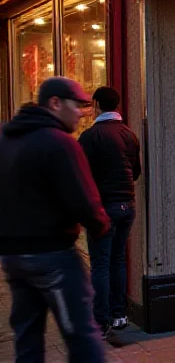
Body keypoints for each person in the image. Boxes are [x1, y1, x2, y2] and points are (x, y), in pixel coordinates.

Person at [0, 77, 110, 362]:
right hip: (53, 254)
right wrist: (100, 225)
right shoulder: (60, 142)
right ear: (55, 103)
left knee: (27, 335)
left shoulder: (6, 138)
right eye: (77, 105)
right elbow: (83, 198)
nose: (82, 112)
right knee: (81, 333)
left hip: (13, 255)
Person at [79, 86, 142, 336]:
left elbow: (80, 176)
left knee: (100, 264)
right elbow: (135, 172)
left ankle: (100, 320)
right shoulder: (129, 134)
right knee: (117, 260)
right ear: (117, 106)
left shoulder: (90, 136)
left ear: (96, 104)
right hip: (128, 205)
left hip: (103, 207)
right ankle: (119, 315)